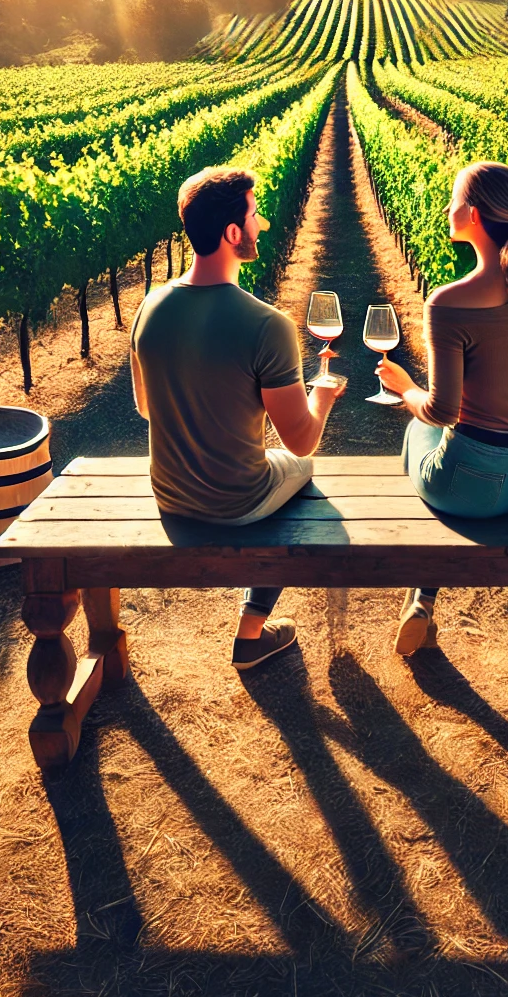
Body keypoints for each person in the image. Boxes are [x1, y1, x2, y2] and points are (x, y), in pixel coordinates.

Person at [130, 164, 346, 671]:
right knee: (306, 476)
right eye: (254, 215)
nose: (262, 223)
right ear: (232, 233)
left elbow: (146, 408)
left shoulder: (149, 306)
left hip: (169, 493)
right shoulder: (267, 325)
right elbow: (300, 442)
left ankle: (254, 625)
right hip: (235, 501)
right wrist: (323, 395)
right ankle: (252, 629)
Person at [374, 161, 508, 657]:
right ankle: (423, 597)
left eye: (454, 200)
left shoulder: (449, 303)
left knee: (416, 435)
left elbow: (441, 410)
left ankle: (422, 593)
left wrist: (404, 386)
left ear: (473, 215)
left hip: (474, 486)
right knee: (438, 440)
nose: (447, 208)